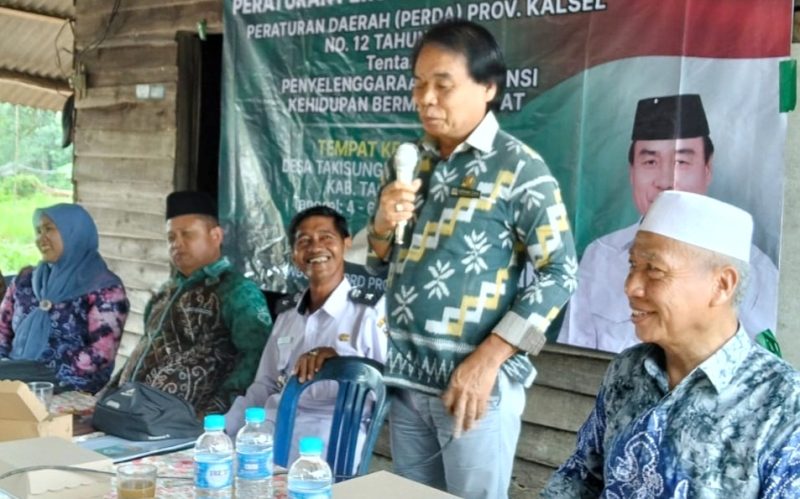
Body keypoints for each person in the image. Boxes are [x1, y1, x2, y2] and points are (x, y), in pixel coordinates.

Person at [367, 20, 577, 499]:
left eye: (443, 85)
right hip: (406, 379)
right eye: (418, 84)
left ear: (488, 87)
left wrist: (489, 360)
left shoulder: (520, 168)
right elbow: (383, 262)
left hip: (474, 387)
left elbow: (561, 274)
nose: (425, 99)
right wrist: (381, 222)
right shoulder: (408, 162)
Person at [542, 190, 800, 497]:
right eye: (632, 265)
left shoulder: (784, 405)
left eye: (654, 270)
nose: (631, 286)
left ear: (722, 285)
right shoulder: (627, 369)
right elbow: (582, 477)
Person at [558, 94, 779, 352]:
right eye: (650, 162)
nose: (665, 181)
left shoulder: (758, 271)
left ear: (707, 168)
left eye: (681, 162)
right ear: (632, 172)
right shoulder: (600, 256)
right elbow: (576, 357)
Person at [225, 205, 387, 463]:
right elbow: (264, 385)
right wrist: (225, 429)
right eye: (304, 241)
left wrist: (341, 366)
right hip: (271, 432)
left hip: (329, 443)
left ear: (346, 245)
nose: (315, 248)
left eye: (326, 237)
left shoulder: (369, 313)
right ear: (294, 255)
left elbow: (387, 386)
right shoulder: (287, 316)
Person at [110, 191, 272, 414]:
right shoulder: (165, 293)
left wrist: (216, 412)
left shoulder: (237, 291)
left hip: (192, 423)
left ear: (216, 236)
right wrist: (108, 394)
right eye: (171, 237)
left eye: (187, 234)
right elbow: (144, 350)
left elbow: (256, 357)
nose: (177, 244)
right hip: (134, 413)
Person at [0, 203, 129, 393]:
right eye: (38, 231)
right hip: (16, 379)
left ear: (74, 233)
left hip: (71, 385)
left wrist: (44, 373)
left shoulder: (104, 287)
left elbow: (101, 353)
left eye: (49, 229)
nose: (41, 239)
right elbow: (2, 330)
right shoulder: (25, 281)